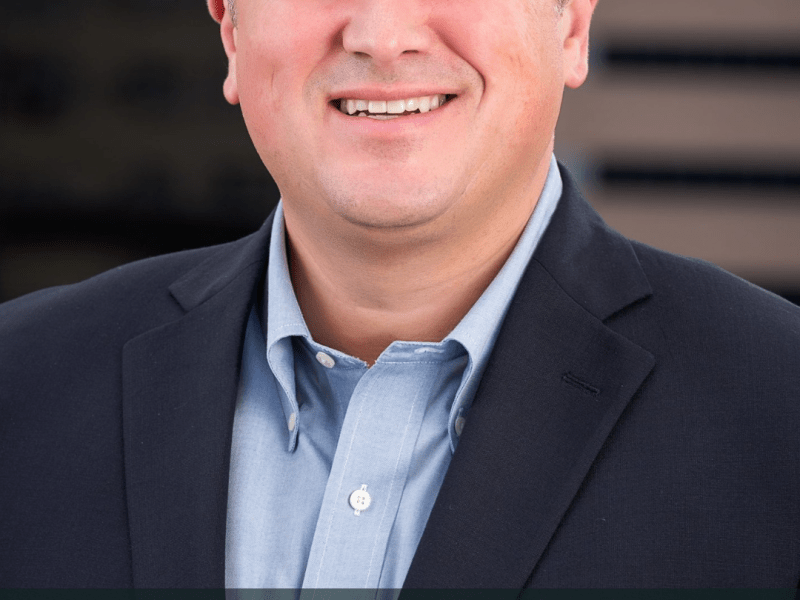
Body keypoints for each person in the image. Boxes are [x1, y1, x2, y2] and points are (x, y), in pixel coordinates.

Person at [1, 0, 799, 590]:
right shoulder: (19, 386)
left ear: (571, 25)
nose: (382, 34)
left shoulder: (779, 412)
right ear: (230, 29)